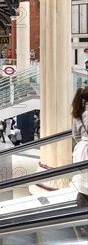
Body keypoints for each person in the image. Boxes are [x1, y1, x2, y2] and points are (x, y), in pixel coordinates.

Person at [71, 87, 88, 216]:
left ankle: (82, 218)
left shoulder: (78, 112)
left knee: (83, 183)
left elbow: (75, 135)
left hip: (82, 151)